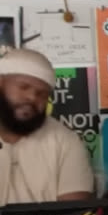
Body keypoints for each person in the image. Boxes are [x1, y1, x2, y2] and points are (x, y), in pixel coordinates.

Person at [0, 46, 93, 204]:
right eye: (24, 87)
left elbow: (74, 214)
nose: (31, 97)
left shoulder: (65, 141)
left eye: (42, 94)